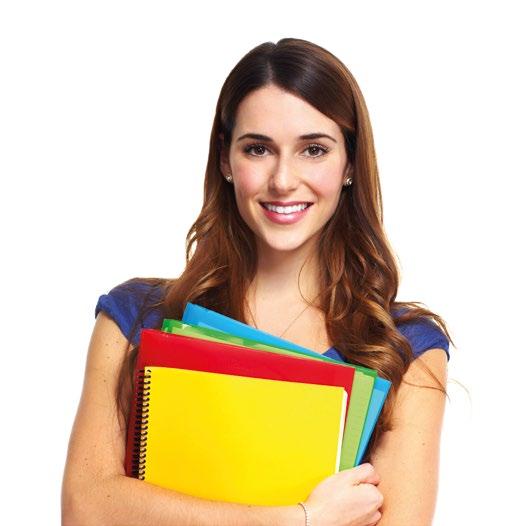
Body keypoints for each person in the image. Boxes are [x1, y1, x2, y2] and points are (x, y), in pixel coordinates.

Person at [61, 37, 453, 526]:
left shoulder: (406, 348)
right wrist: (301, 519)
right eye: (258, 149)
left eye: (314, 149)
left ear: (350, 164)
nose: (283, 180)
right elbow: (85, 509)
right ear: (226, 160)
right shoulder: (133, 316)